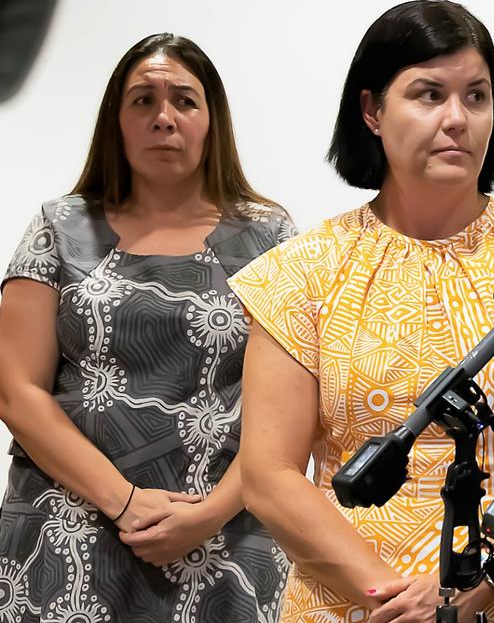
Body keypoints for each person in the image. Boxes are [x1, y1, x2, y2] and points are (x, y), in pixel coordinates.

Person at [230, 0, 494, 623]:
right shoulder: (301, 272)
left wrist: (477, 584)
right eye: (428, 94)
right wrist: (391, 596)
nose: (457, 119)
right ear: (372, 111)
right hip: (353, 604)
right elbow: (269, 474)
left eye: (476, 96)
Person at [0, 33, 294, 623]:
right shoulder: (60, 227)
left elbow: (286, 415)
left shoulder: (269, 237)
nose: (164, 118)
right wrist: (124, 502)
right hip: (68, 532)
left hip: (226, 541)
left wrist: (207, 515)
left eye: (184, 101)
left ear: (213, 120)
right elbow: (15, 391)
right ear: (117, 120)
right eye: (143, 101)